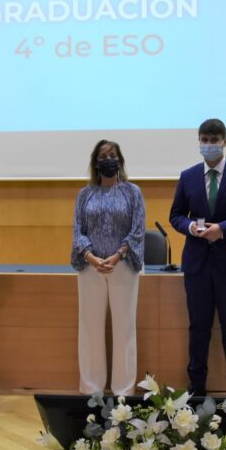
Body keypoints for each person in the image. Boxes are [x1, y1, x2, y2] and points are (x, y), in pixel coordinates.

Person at [169, 118, 226, 397]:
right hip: (198, 263)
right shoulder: (187, 176)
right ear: (199, 141)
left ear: (225, 141)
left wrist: (222, 229)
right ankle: (197, 386)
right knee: (199, 327)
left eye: (214, 140)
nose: (209, 145)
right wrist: (189, 228)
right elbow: (175, 215)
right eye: (204, 140)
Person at [71, 140, 145, 397]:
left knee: (125, 327)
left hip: (122, 267)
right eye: (103, 156)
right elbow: (78, 231)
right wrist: (91, 257)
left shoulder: (132, 192)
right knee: (90, 327)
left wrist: (117, 255)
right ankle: (92, 388)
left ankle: (123, 390)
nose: (108, 159)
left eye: (112, 155)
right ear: (95, 162)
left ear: (120, 160)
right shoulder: (85, 194)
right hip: (90, 268)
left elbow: (136, 232)